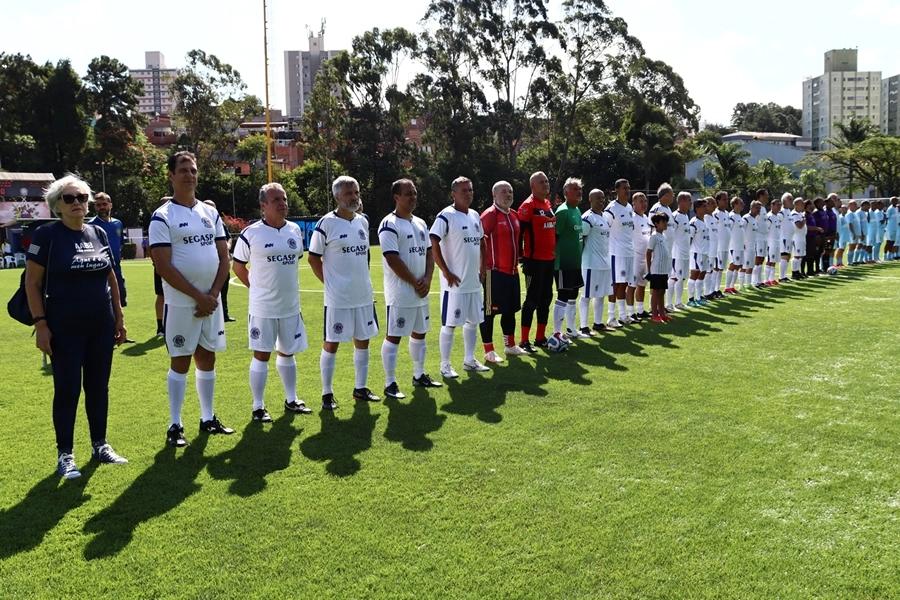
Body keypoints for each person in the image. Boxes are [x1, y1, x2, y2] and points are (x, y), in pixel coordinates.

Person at [25, 174, 128, 479]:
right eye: (70, 198)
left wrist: (119, 317)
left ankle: (100, 444)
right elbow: (32, 283)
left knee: (98, 387)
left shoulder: (98, 232)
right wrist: (41, 324)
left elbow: (111, 277)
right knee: (68, 390)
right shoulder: (48, 236)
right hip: (63, 326)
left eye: (83, 197)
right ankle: (65, 454)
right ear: (57, 204)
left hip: (100, 324)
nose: (78, 203)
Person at [149, 151, 234, 447]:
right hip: (183, 303)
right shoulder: (162, 216)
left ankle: (208, 417)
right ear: (171, 175)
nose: (189, 174)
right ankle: (175, 425)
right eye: (183, 169)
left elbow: (225, 258)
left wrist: (212, 296)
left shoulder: (210, 213)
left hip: (210, 302)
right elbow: (163, 266)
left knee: (208, 358)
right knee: (181, 361)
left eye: (193, 170)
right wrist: (198, 295)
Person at [232, 183, 313, 422]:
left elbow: (295, 260)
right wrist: (256, 288)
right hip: (263, 307)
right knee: (261, 355)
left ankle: (291, 399)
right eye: (276, 199)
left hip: (290, 306)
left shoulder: (295, 231)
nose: (282, 203)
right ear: (263, 205)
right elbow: (238, 266)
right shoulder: (251, 233)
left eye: (284, 199)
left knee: (288, 353)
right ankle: (258, 407)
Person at [308, 176, 381, 409]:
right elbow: (313, 258)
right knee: (332, 343)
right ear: (337, 196)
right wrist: (330, 283)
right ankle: (327, 394)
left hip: (363, 295)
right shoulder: (326, 224)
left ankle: (360, 389)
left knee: (363, 340)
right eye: (348, 193)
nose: (354, 197)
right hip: (338, 297)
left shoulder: (362, 221)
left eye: (356, 192)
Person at [377, 179, 443, 397]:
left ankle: (419, 374)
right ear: (396, 197)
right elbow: (392, 259)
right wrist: (416, 282)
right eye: (408, 194)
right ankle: (390, 383)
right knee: (394, 335)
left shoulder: (421, 223)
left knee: (420, 333)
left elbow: (429, 253)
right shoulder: (389, 224)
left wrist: (427, 278)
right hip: (401, 293)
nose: (413, 197)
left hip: (421, 289)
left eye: (414, 193)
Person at [429, 176, 489, 375]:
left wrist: (482, 267)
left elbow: (482, 242)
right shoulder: (446, 216)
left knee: (473, 321)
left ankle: (469, 360)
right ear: (453, 194)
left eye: (470, 190)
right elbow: (433, 241)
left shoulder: (474, 215)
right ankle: (445, 365)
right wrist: (445, 270)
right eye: (464, 190)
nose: (468, 193)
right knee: (449, 323)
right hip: (454, 284)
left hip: (473, 281)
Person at [479, 181, 529, 359]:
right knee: (490, 311)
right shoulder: (489, 215)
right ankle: (489, 351)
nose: (508, 195)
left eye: (510, 191)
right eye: (503, 192)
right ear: (494, 195)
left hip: (512, 272)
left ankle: (510, 346)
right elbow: (479, 242)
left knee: (510, 310)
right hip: (493, 272)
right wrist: (482, 268)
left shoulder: (514, 215)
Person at [517, 172, 556, 352]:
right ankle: (524, 341)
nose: (545, 184)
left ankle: (540, 337)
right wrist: (520, 257)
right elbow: (519, 233)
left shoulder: (548, 204)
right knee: (531, 300)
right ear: (532, 186)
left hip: (549, 260)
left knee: (546, 299)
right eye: (541, 182)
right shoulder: (527, 206)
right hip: (534, 261)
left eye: (546, 181)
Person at [90, 192, 136, 343]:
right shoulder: (91, 225)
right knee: (103, 302)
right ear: (94, 207)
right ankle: (104, 335)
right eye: (98, 205)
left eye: (104, 204)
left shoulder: (117, 223)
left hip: (116, 268)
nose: (102, 207)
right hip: (100, 271)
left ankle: (119, 331)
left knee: (119, 299)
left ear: (111, 205)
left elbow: (120, 244)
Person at [553, 178, 586, 338]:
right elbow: (554, 236)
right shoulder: (563, 211)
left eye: (580, 189)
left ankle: (571, 330)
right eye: (575, 189)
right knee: (563, 295)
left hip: (575, 263)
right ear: (566, 193)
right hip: (563, 263)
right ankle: (557, 333)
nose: (579, 191)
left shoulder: (577, 210)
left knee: (573, 295)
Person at [579, 189, 613, 334]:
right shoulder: (587, 218)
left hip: (605, 263)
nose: (601, 200)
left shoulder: (605, 217)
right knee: (587, 295)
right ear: (590, 200)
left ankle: (598, 323)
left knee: (601, 294)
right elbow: (581, 240)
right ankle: (583, 326)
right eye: (597, 198)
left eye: (602, 197)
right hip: (591, 264)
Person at [604, 179, 636, 326]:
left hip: (628, 252)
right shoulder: (611, 209)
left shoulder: (629, 207)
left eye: (628, 188)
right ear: (616, 190)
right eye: (624, 188)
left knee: (624, 284)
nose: (627, 190)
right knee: (615, 284)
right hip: (616, 253)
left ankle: (623, 315)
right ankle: (611, 317)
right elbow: (604, 230)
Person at [203, 199, 237, 323]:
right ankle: (211, 313)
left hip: (222, 262)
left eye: (213, 207)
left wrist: (227, 246)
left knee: (224, 289)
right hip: (209, 264)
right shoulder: (200, 223)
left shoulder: (220, 224)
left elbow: (229, 238)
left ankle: (225, 314)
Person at [666, 191, 692, 311]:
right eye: (688, 201)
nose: (690, 203)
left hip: (685, 253)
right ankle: (668, 304)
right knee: (674, 277)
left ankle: (678, 302)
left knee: (682, 278)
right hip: (677, 253)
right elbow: (670, 234)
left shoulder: (686, 216)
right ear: (681, 201)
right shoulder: (675, 217)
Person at [645, 213, 671, 323]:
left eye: (666, 221)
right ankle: (654, 315)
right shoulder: (654, 236)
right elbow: (648, 252)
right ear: (656, 223)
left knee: (662, 292)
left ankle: (662, 314)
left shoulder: (663, 236)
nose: (666, 224)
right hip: (656, 269)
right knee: (655, 292)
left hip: (664, 269)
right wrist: (649, 269)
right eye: (663, 221)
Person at [631, 192, 653, 318]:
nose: (644, 204)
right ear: (633, 203)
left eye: (645, 201)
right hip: (635, 256)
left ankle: (640, 310)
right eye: (641, 201)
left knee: (642, 284)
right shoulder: (632, 218)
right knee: (632, 285)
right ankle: (630, 312)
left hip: (645, 257)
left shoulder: (646, 218)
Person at [687, 199, 709, 307]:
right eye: (704, 206)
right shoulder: (693, 223)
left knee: (702, 275)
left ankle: (699, 297)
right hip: (696, 253)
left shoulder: (704, 221)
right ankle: (690, 299)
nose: (706, 208)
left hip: (704, 253)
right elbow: (689, 239)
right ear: (697, 209)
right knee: (694, 275)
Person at [724, 197, 745, 294]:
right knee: (733, 265)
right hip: (733, 246)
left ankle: (732, 287)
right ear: (735, 205)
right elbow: (728, 231)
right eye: (741, 203)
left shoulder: (739, 216)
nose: (743, 204)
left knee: (738, 266)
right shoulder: (731, 216)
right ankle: (727, 288)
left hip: (740, 246)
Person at [712, 191, 731, 295]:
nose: (726, 201)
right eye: (724, 199)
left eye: (727, 199)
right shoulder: (715, 214)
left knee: (720, 269)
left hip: (725, 246)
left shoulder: (727, 214)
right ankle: (712, 290)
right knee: (716, 268)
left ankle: (717, 289)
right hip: (718, 247)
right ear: (718, 201)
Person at [764, 197, 783, 286]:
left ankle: (771, 279)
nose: (779, 207)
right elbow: (766, 230)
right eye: (777, 205)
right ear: (772, 206)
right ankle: (766, 280)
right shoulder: (769, 217)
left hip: (777, 241)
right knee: (769, 260)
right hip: (771, 242)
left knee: (774, 261)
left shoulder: (778, 217)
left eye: (780, 205)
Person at [753, 188, 770, 289]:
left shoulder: (763, 208)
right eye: (766, 194)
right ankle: (755, 281)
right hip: (758, 236)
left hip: (764, 236)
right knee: (758, 258)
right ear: (761, 196)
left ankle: (759, 280)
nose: (768, 196)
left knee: (762, 258)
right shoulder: (757, 207)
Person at [742, 201, 761, 288]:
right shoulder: (746, 218)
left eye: (759, 208)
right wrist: (742, 242)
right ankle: (741, 286)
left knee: (751, 266)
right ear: (751, 208)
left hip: (753, 246)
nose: (758, 210)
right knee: (744, 266)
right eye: (756, 208)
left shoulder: (755, 219)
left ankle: (748, 284)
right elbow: (740, 231)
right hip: (746, 246)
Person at [790, 200, 808, 279]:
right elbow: (799, 225)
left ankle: (798, 271)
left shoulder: (800, 214)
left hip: (802, 237)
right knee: (796, 256)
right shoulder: (794, 214)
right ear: (796, 205)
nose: (803, 205)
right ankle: (794, 272)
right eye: (802, 203)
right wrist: (804, 220)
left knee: (800, 256)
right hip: (797, 237)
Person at [779, 195, 795, 281]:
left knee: (788, 256)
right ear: (784, 201)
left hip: (789, 237)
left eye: (792, 199)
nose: (791, 201)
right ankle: (782, 277)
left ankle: (784, 276)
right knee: (784, 256)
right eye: (789, 199)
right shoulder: (781, 212)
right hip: (784, 237)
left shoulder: (788, 211)